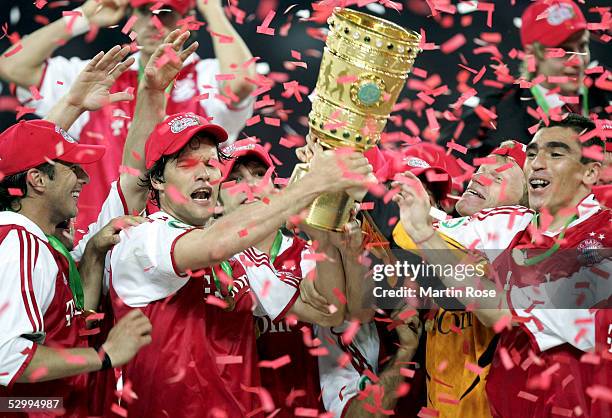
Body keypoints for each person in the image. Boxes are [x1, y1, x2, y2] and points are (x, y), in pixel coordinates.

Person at [106, 97, 372, 416]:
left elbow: (329, 312)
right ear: (158, 180)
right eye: (188, 163)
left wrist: (322, 225)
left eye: (210, 164)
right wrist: (314, 182)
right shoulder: (142, 238)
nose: (205, 174)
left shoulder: (241, 261)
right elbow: (213, 244)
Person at [394, 114, 610, 418]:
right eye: (533, 153)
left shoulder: (604, 243)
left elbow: (498, 311)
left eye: (556, 153)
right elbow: (412, 233)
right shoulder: (511, 223)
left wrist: (425, 236)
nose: (537, 162)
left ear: (589, 173)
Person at [0, 0, 257, 241]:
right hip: (98, 244)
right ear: (131, 18)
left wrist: (211, 9)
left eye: (165, 14)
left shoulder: (207, 77)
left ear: (188, 19)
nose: (154, 23)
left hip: (182, 249)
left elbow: (243, 81)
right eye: (145, 12)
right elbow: (12, 66)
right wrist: (84, 17)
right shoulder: (103, 75)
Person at [0, 47, 152, 417]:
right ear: (37, 181)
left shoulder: (33, 241)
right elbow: (7, 359)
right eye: (72, 168)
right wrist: (103, 355)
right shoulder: (18, 243)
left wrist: (96, 251)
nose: (84, 178)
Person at [440, 0, 611, 163]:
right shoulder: (498, 113)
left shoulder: (606, 92)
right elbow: (444, 161)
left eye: (582, 46)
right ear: (533, 54)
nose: (578, 61)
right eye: (563, 51)